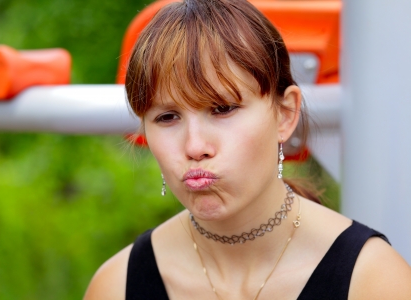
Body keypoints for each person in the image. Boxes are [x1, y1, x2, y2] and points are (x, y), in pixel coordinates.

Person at [84, 0, 411, 299]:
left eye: (222, 109)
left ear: (285, 114)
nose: (195, 146)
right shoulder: (116, 286)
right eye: (167, 117)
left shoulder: (372, 280)